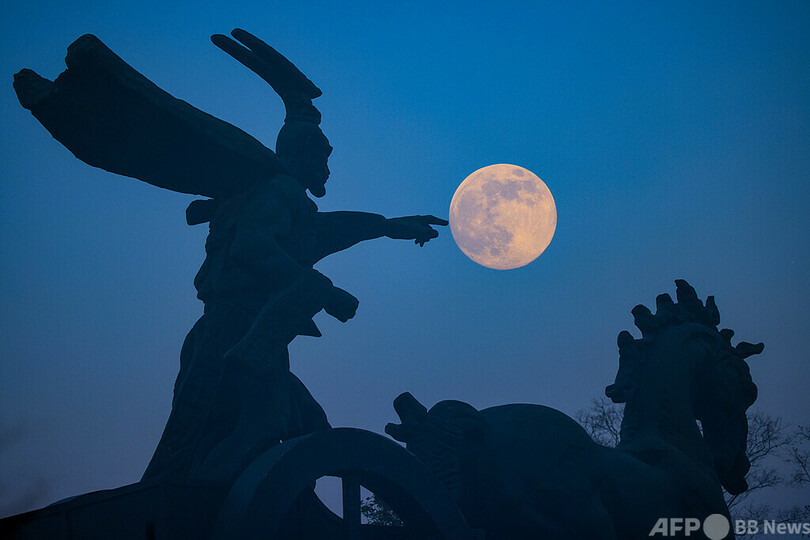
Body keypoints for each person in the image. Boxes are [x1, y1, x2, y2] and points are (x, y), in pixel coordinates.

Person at [141, 30, 447, 481]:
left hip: (243, 334)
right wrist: (325, 291)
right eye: (323, 154)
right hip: (238, 330)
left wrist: (389, 226)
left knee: (298, 423)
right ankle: (203, 512)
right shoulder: (279, 191)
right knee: (259, 428)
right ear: (301, 154)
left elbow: (329, 230)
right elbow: (253, 248)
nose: (328, 164)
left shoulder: (286, 202)